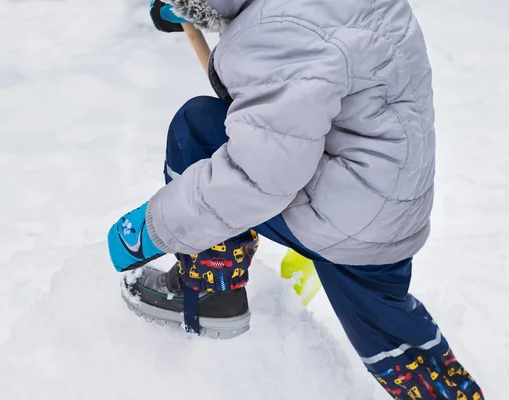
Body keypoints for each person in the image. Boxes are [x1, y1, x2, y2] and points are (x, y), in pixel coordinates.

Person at [108, 0, 485, 398]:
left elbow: (260, 174)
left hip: (344, 215)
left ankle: (208, 292)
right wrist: (199, 11)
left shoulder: (280, 34)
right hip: (391, 200)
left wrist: (152, 228)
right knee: (394, 336)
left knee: (199, 128)